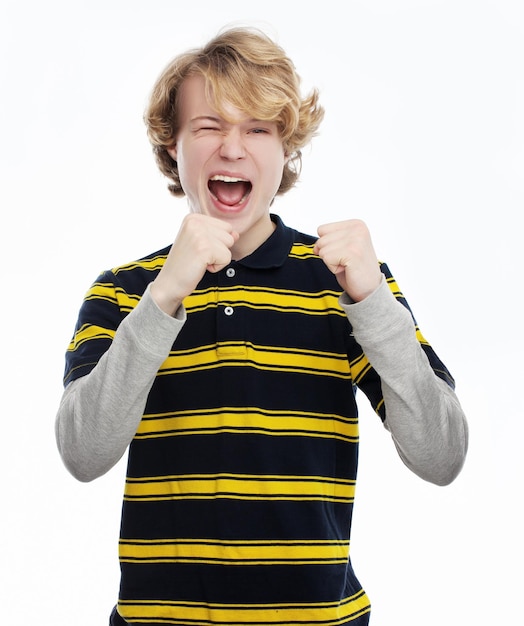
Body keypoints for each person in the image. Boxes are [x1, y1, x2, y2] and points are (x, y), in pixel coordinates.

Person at [55, 26, 468, 626]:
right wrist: (166, 295)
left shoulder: (349, 285)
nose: (232, 148)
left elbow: (443, 456)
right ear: (174, 146)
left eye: (257, 128)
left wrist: (374, 303)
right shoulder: (124, 291)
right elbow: (83, 452)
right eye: (208, 127)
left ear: (285, 149)